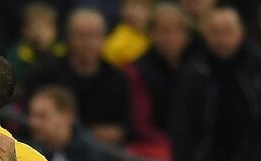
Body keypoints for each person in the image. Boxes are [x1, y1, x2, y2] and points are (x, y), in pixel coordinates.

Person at [172, 7, 261, 161]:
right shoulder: (195, 70)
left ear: (241, 33)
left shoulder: (260, 66)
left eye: (228, 32)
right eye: (216, 32)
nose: (222, 39)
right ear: (206, 35)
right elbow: (183, 127)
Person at [25, 7, 132, 145]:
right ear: (68, 38)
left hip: (103, 154)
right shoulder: (44, 74)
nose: (89, 43)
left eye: (95, 35)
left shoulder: (118, 79)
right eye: (82, 36)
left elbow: (124, 127)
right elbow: (29, 118)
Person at [128, 3, 192, 143]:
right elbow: (141, 125)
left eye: (176, 31)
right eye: (163, 31)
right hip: (154, 148)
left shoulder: (198, 68)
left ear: (186, 36)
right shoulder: (137, 71)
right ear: (150, 33)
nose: (169, 38)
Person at [102, 0, 152, 68]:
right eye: (133, 6)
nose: (138, 13)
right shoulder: (116, 43)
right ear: (123, 10)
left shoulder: (152, 36)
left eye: (144, 6)